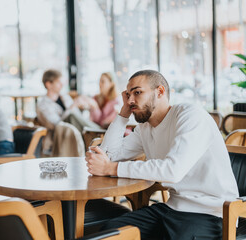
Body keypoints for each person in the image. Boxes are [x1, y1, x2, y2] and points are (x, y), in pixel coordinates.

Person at [85, 70, 239, 239]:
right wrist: (123, 114)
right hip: (172, 207)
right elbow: (109, 155)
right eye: (128, 95)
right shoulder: (145, 128)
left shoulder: (190, 116)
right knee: (112, 232)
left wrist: (111, 168)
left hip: (211, 213)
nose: (130, 100)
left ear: (160, 92)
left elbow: (172, 171)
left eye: (137, 93)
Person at [36, 69, 100, 153]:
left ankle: (96, 133)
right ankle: (99, 133)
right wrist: (73, 106)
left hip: (76, 133)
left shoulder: (64, 97)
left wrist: (82, 105)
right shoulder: (43, 105)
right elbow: (56, 124)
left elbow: (78, 118)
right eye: (58, 82)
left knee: (74, 116)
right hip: (58, 138)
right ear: (48, 84)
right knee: (71, 116)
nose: (62, 84)